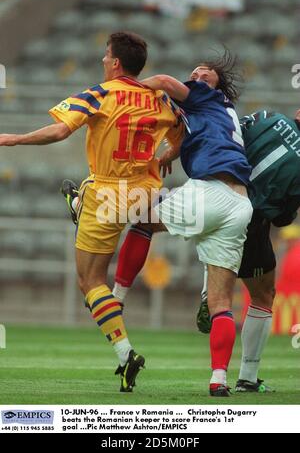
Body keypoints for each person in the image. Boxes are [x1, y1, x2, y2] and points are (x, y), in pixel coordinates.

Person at [0, 31, 184, 393]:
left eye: (105, 55)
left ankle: (124, 352)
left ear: (115, 62)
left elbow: (58, 132)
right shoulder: (162, 99)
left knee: (90, 282)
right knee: (124, 215)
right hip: (145, 192)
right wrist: (165, 157)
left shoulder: (101, 93)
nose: (102, 60)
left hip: (107, 195)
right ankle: (80, 203)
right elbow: (183, 136)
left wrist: (13, 138)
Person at [68, 51, 252, 397]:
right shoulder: (222, 113)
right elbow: (200, 138)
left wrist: (131, 89)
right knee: (221, 304)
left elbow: (166, 83)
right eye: (195, 70)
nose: (197, 74)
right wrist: (169, 153)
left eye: (206, 73)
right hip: (239, 204)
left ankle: (117, 295)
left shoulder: (205, 95)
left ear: (217, 84)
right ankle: (218, 379)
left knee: (137, 215)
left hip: (208, 192)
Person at [198, 109, 300, 393]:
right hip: (252, 219)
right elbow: (283, 218)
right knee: (263, 294)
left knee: (155, 220)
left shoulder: (269, 116)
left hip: (217, 193)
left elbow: (233, 133)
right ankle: (247, 377)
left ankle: (209, 281)